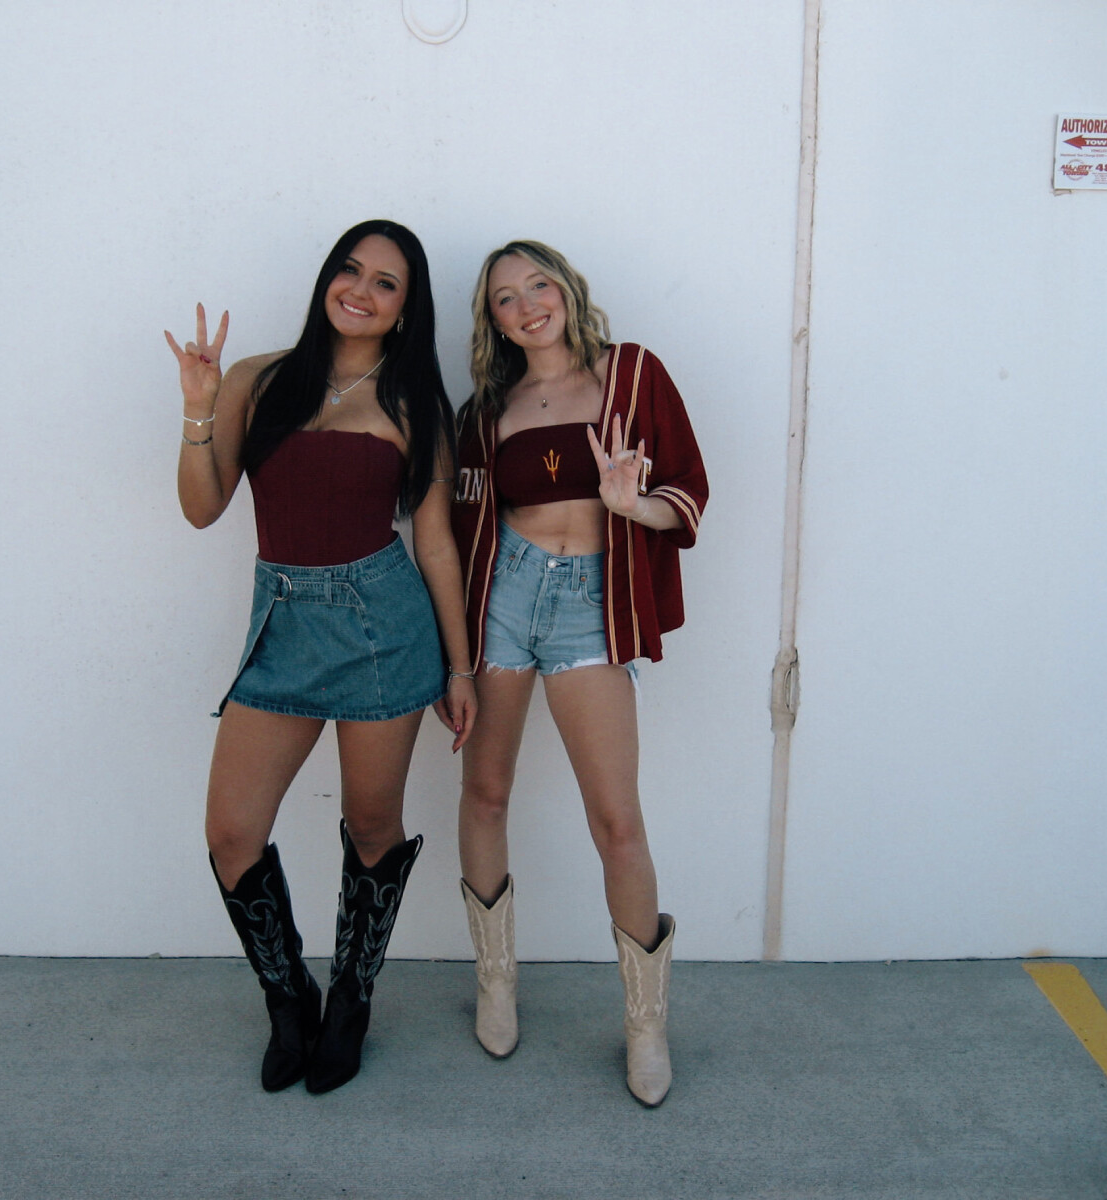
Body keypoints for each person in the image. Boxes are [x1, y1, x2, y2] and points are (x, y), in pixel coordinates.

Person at [166, 220, 477, 1095]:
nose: (361, 291)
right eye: (351, 270)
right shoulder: (257, 378)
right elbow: (202, 509)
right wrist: (198, 404)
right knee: (232, 833)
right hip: (282, 627)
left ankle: (350, 1002)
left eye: (386, 283)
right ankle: (287, 998)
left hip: (383, 628)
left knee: (373, 827)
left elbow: (437, 546)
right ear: (327, 278)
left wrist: (459, 670)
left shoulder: (416, 404)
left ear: (405, 309)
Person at [450, 240, 707, 1106]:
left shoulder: (631, 375)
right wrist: (455, 657)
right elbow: (461, 527)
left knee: (617, 821)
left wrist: (634, 505)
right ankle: (495, 982)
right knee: (486, 793)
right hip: (505, 597)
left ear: (566, 289)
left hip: (590, 604)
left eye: (538, 285)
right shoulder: (486, 410)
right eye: (506, 298)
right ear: (493, 321)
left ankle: (646, 1026)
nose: (528, 305)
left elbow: (689, 488)